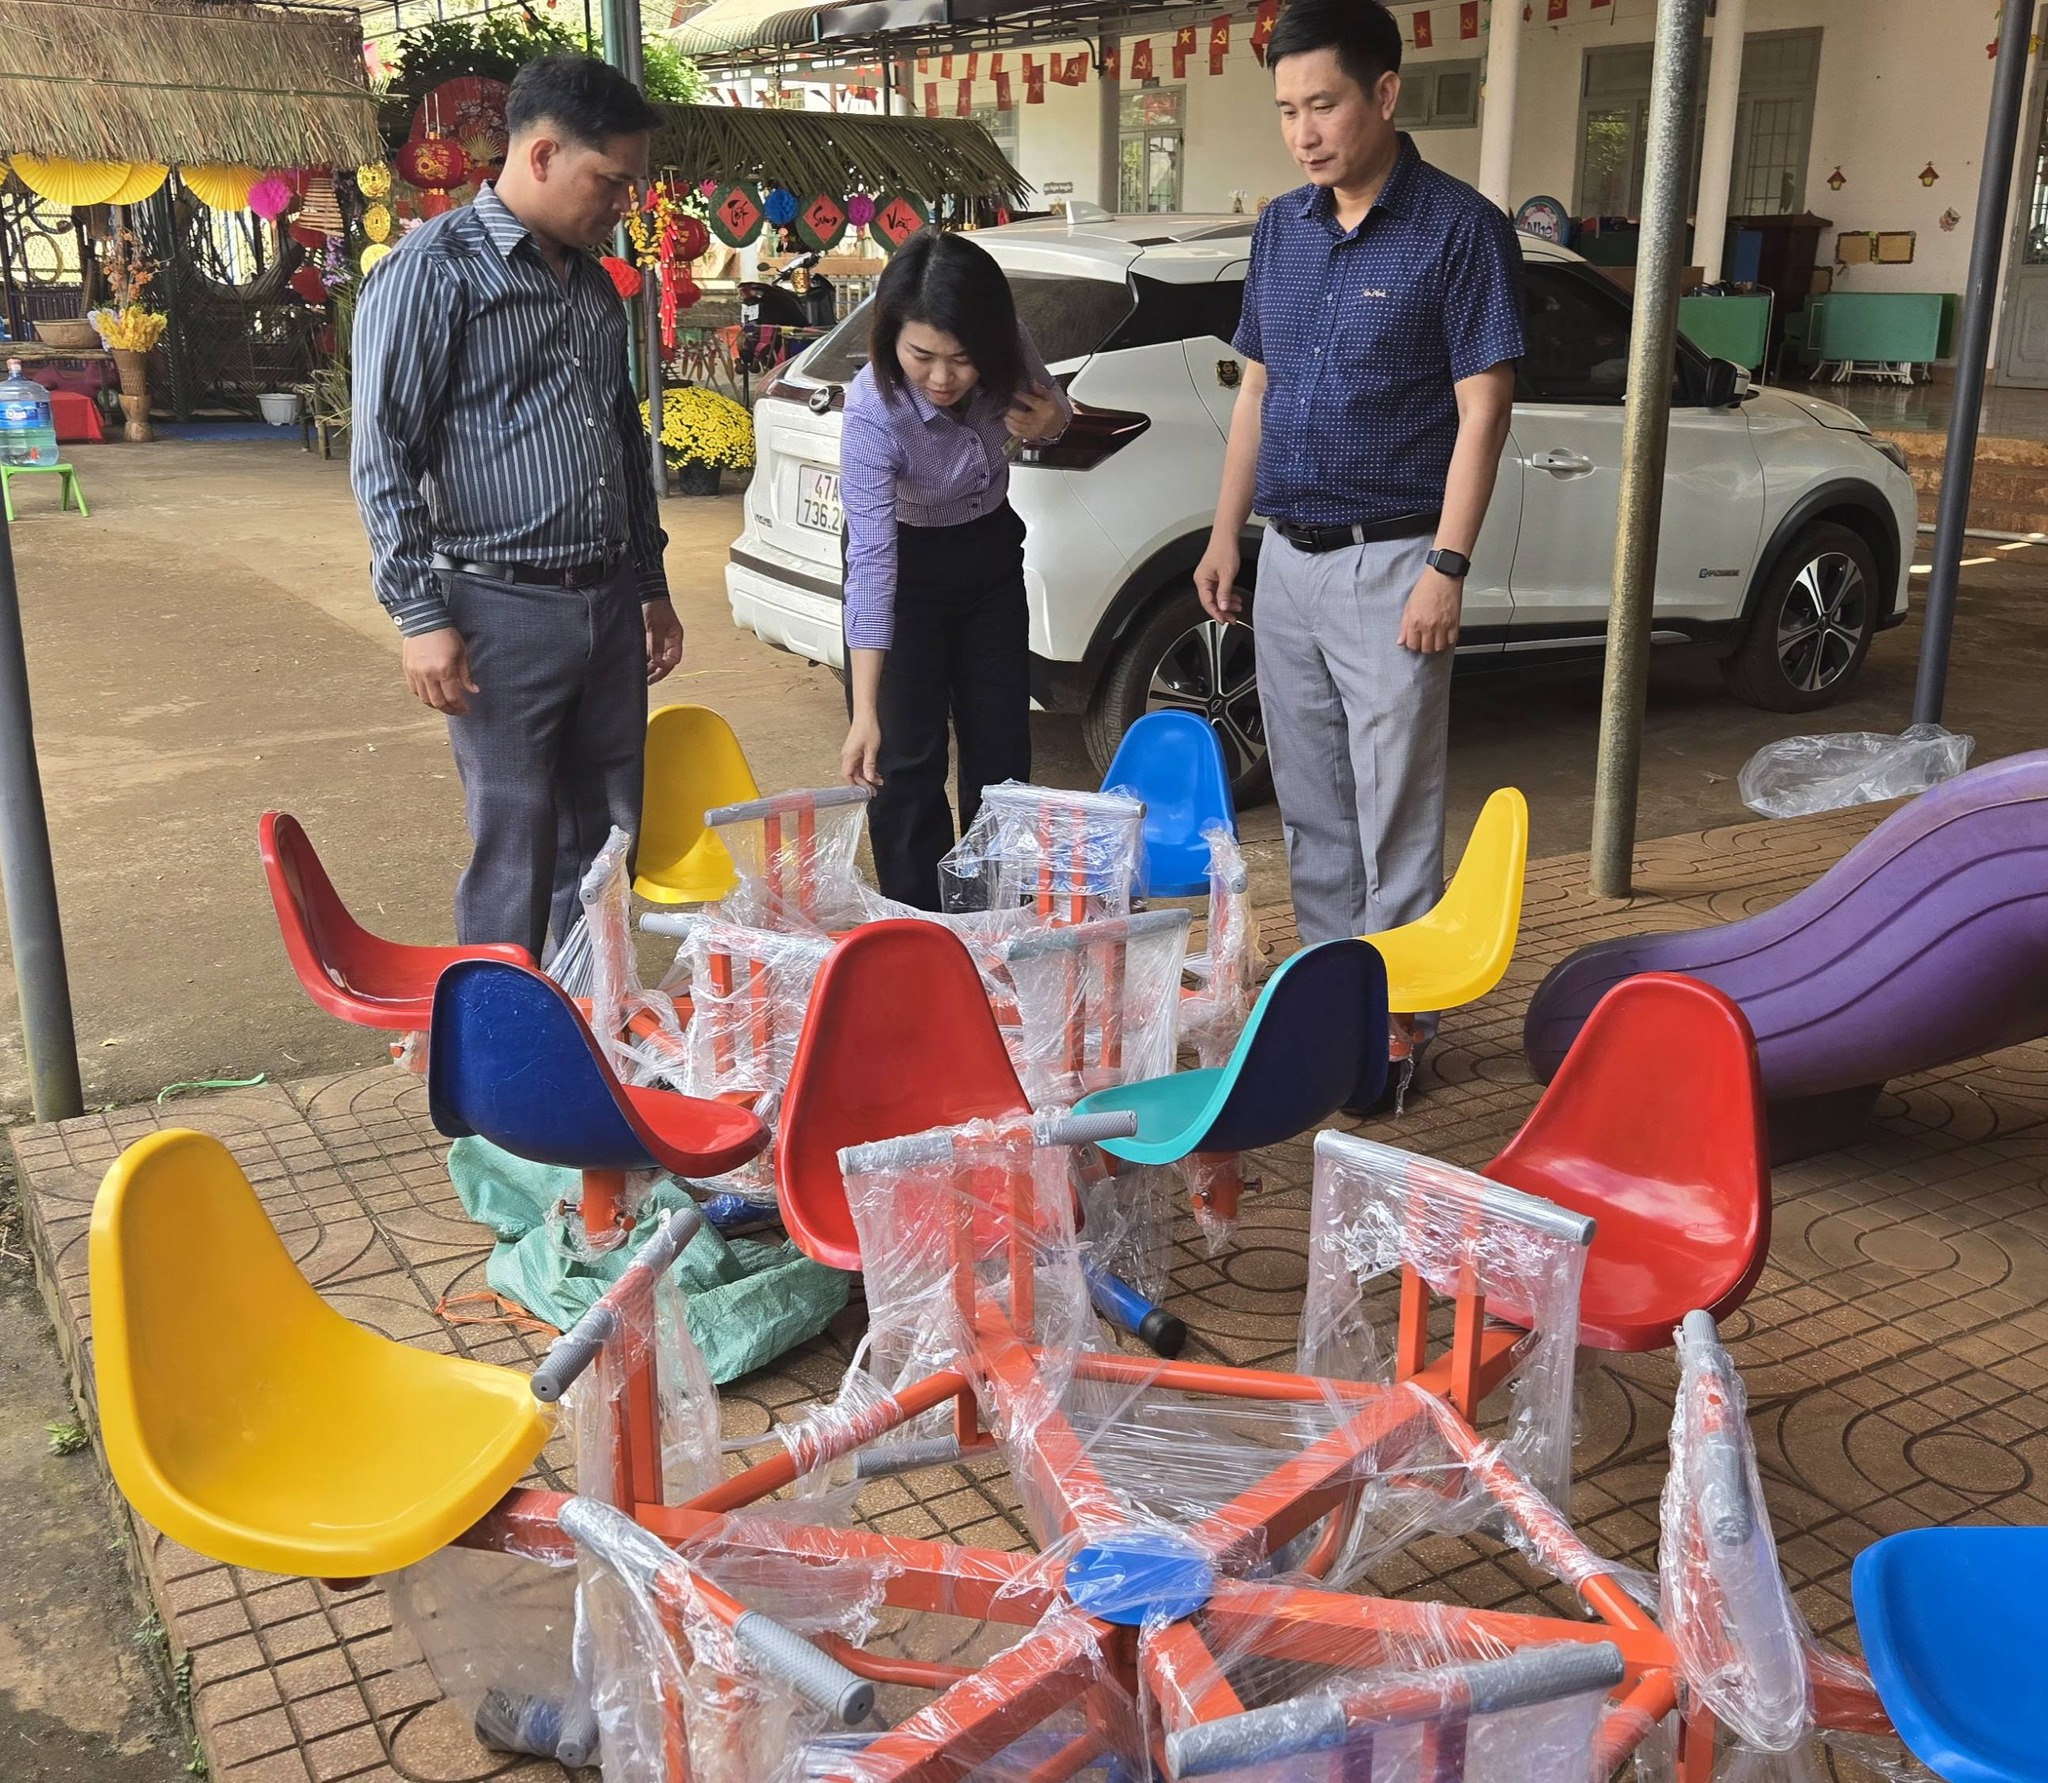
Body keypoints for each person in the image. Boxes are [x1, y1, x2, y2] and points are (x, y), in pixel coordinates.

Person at [1193, 0, 1523, 1091]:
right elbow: (1256, 390)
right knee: (1312, 802)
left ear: (1383, 93)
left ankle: (1399, 1012)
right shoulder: (1281, 230)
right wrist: (1227, 534)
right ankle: (1333, 992)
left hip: (1395, 563)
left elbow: (1484, 410)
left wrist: (1445, 566)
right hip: (1287, 561)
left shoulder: (1458, 230)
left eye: (1322, 104)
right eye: (1287, 109)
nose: (1303, 132)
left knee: (1394, 808)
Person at [351, 53, 683, 961]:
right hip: (498, 609)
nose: (624, 203)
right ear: (541, 155)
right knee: (516, 838)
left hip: (607, 600)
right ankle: (497, 1036)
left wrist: (649, 584)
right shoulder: (434, 271)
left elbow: (622, 441)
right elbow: (383, 451)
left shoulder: (594, 286)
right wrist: (420, 615)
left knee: (607, 839)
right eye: (611, 180)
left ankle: (588, 1018)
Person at [836, 229, 1070, 909]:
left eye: (963, 360)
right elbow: (871, 564)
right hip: (904, 570)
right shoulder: (873, 413)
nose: (942, 378)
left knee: (1001, 757)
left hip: (989, 558)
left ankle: (995, 924)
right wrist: (865, 711)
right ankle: (920, 931)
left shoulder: (1009, 342)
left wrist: (1052, 421)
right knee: (902, 763)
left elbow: (1055, 409)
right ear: (891, 338)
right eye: (922, 357)